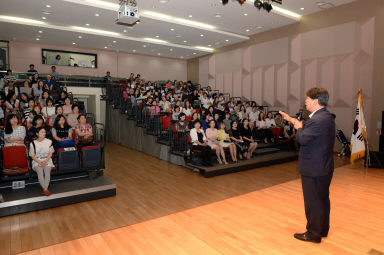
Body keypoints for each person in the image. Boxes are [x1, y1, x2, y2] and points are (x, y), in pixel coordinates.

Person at [279, 87, 335, 244]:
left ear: (315, 102)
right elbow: (311, 132)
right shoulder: (326, 117)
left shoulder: (317, 120)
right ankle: (322, 229)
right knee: (322, 199)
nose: (305, 101)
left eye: (307, 99)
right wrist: (293, 121)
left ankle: (313, 234)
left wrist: (298, 128)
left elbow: (302, 139)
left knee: (313, 202)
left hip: (314, 168)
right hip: (323, 166)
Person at [29, 127, 54, 196]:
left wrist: (45, 161)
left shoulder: (49, 141)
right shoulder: (33, 143)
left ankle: (45, 189)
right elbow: (32, 156)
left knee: (47, 171)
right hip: (37, 160)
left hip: (47, 159)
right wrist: (40, 162)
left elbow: (50, 153)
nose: (44, 133)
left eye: (44, 132)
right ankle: (45, 189)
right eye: (42, 132)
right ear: (37, 134)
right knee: (40, 172)